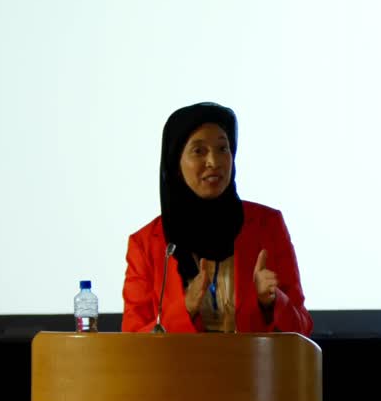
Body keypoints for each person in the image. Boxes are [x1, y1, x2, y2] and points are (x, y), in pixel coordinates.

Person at [122, 102, 313, 335]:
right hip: (180, 361)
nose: (214, 161)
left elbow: (302, 328)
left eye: (223, 148)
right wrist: (185, 309)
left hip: (252, 360)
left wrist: (272, 302)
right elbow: (133, 341)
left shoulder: (267, 225)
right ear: (176, 163)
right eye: (199, 151)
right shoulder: (146, 244)